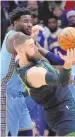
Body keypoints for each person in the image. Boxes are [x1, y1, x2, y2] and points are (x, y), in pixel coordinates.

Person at [14, 33, 75, 136]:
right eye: (32, 46)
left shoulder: (25, 57)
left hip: (64, 105)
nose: (36, 48)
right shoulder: (33, 73)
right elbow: (62, 80)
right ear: (21, 51)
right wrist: (67, 64)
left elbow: (52, 58)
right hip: (61, 112)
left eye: (34, 44)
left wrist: (35, 42)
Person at [1, 7, 34, 136]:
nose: (30, 24)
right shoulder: (14, 35)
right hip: (4, 94)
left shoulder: (26, 40)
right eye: (25, 21)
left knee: (27, 132)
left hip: (18, 96)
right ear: (15, 23)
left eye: (30, 21)